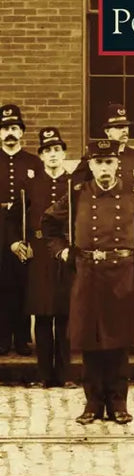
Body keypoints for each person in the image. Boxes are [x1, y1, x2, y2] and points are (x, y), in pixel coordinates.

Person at [42, 139, 134, 424]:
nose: (104, 168)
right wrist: (62, 250)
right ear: (90, 165)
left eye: (109, 162)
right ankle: (93, 402)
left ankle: (118, 402)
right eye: (98, 163)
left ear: (118, 164)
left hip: (123, 276)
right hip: (88, 275)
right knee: (90, 343)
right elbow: (48, 224)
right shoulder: (76, 193)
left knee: (118, 344)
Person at [10, 128, 76, 388]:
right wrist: (15, 242)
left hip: (65, 255)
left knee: (64, 314)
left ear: (63, 153)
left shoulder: (73, 184)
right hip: (39, 256)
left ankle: (65, 374)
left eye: (57, 150)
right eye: (47, 151)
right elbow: (12, 219)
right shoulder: (30, 185)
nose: (52, 155)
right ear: (41, 155)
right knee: (42, 315)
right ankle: (45, 375)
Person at [0, 103, 42, 356]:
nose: (10, 133)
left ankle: (23, 338)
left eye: (14, 128)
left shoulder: (33, 162)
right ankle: (2, 338)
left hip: (23, 229)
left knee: (22, 284)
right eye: (4, 129)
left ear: (22, 132)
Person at [72, 102, 134, 187]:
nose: (124, 131)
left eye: (126, 127)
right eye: (119, 127)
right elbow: (78, 185)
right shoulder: (93, 155)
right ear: (107, 131)